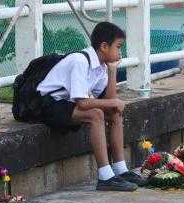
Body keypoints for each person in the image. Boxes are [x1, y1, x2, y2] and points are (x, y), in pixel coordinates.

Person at [36, 22, 145, 191]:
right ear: (104, 46)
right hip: (47, 105)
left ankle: (120, 170)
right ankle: (105, 176)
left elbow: (110, 101)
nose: (120, 52)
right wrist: (112, 102)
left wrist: (112, 71)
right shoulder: (80, 61)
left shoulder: (101, 66)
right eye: (118, 47)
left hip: (65, 105)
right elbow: (82, 102)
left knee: (115, 113)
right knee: (96, 115)